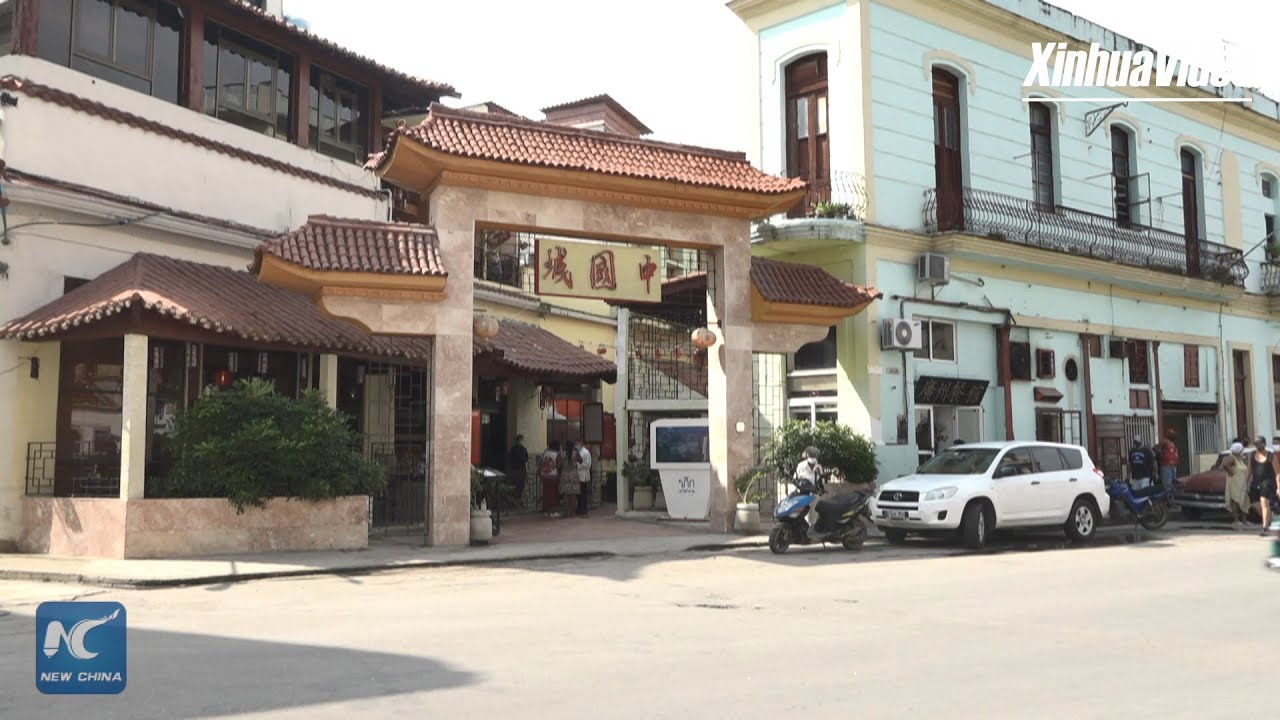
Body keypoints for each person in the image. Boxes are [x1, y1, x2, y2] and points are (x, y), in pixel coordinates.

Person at [1247, 435, 1280, 535]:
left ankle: (1264, 527)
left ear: (1264, 444)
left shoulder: (1271, 456)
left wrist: (1279, 487)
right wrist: (1245, 482)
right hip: (1256, 483)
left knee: (1264, 502)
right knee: (1257, 506)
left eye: (1259, 443)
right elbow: (1249, 470)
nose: (1257, 446)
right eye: (1256, 444)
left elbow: (1277, 473)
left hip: (1268, 483)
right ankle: (1269, 519)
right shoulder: (1252, 455)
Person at [1223, 442, 1251, 529]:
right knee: (1235, 501)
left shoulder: (1240, 459)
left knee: (1244, 501)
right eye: (1241, 449)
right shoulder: (1232, 458)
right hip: (1234, 483)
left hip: (1242, 484)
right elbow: (1224, 464)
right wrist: (1230, 471)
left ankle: (1244, 521)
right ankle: (1236, 521)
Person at [557, 442, 581, 519]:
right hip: (574, 475)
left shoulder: (561, 453)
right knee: (573, 495)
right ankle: (573, 513)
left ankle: (567, 512)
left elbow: (558, 465)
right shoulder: (575, 453)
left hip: (565, 475)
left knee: (566, 495)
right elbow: (581, 461)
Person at [540, 442, 561, 518]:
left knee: (546, 493)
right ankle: (552, 512)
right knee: (553, 494)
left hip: (544, 475)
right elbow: (558, 465)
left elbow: (541, 462)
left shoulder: (545, 452)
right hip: (552, 475)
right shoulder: (557, 453)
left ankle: (547, 511)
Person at [507, 435, 529, 508]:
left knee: (521, 486)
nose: (520, 442)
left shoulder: (524, 449)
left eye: (521, 440)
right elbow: (509, 460)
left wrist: (526, 471)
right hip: (514, 470)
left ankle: (518, 500)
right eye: (519, 440)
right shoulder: (513, 450)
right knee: (515, 487)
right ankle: (515, 502)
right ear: (516, 441)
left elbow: (526, 461)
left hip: (522, 470)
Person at [575, 441, 593, 517]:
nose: (576, 446)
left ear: (581, 444)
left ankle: (584, 509)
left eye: (577, 444)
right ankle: (579, 508)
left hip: (584, 476)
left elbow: (588, 464)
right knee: (578, 494)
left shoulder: (586, 452)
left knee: (583, 494)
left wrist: (578, 465)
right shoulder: (577, 452)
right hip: (578, 476)